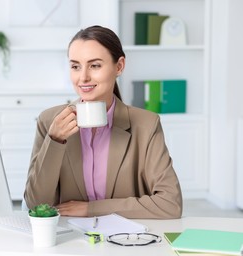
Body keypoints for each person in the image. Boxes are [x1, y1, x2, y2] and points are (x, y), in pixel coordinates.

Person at [24, 25, 182, 219]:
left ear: (119, 66)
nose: (83, 77)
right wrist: (54, 141)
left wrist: (91, 209)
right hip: (69, 241)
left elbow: (170, 204)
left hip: (127, 241)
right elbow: (36, 205)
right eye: (75, 66)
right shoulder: (49, 121)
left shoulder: (146, 124)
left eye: (95, 65)